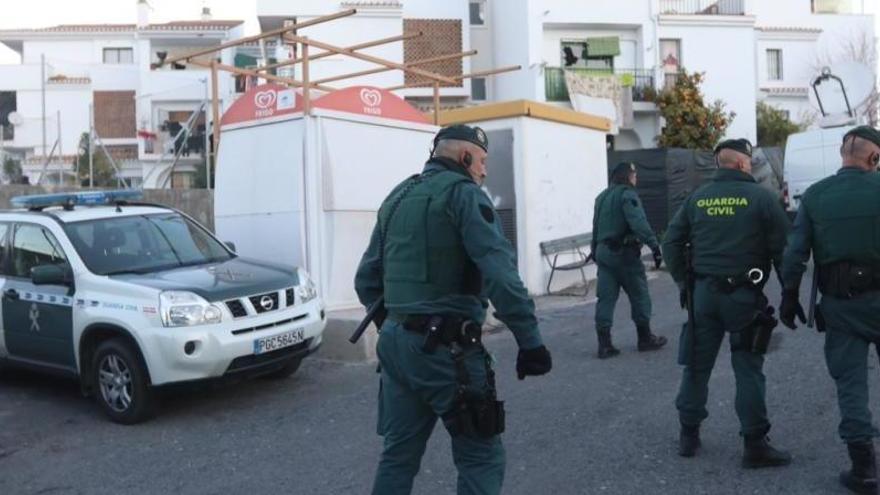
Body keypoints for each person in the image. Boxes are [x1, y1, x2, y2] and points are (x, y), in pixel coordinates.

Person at [354, 124, 552, 495]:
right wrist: (531, 342)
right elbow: (500, 274)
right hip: (448, 352)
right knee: (481, 456)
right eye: (481, 161)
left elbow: (366, 279)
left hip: (397, 349)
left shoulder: (398, 196)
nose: (484, 171)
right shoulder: (464, 196)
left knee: (398, 456)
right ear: (464, 157)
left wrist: (399, 326)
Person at [662, 138, 792, 467]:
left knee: (696, 365)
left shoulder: (697, 198)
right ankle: (754, 443)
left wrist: (683, 282)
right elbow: (783, 251)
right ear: (742, 164)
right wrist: (790, 292)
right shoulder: (762, 198)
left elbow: (671, 243)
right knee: (748, 368)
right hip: (744, 297)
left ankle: (688, 435)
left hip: (703, 295)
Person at [780, 126, 880, 494]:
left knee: (851, 385)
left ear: (843, 155)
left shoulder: (817, 196)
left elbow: (795, 252)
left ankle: (865, 469)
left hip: (842, 305)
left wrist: (789, 296)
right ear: (874, 157)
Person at [590, 161, 666, 359]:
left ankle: (604, 344)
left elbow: (596, 227)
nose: (636, 178)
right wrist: (655, 246)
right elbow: (638, 222)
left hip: (603, 253)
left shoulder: (602, 197)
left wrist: (594, 251)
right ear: (627, 176)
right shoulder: (627, 195)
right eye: (634, 174)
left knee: (605, 298)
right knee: (639, 294)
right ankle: (645, 338)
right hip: (623, 254)